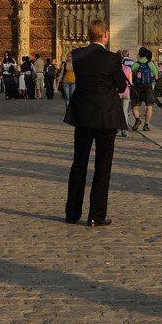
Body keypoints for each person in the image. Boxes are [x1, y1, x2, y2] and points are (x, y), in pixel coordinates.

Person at [64, 18, 128, 227]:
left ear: (89, 35)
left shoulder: (78, 55)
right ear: (105, 35)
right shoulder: (112, 59)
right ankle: (96, 216)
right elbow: (120, 87)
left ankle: (72, 213)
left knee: (78, 163)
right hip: (105, 117)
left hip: (82, 116)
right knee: (103, 166)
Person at [129, 47, 159, 132]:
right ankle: (146, 125)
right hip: (148, 87)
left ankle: (138, 119)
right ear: (146, 54)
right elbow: (156, 77)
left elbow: (131, 74)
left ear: (139, 54)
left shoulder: (135, 64)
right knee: (149, 106)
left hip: (138, 87)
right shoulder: (151, 64)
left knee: (135, 105)